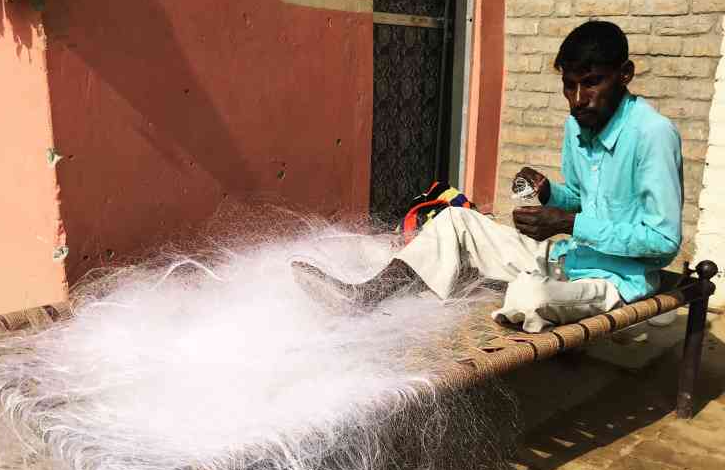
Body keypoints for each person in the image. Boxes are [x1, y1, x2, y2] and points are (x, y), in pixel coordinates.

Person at [292, 21, 684, 333]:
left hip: (616, 282)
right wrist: (551, 195)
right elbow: (583, 199)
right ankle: (363, 297)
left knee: (528, 296)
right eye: (569, 85)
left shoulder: (652, 134)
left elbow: (664, 242)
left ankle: (475, 286)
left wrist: (568, 222)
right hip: (569, 259)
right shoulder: (577, 124)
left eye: (592, 83)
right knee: (457, 220)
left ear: (625, 74)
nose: (578, 98)